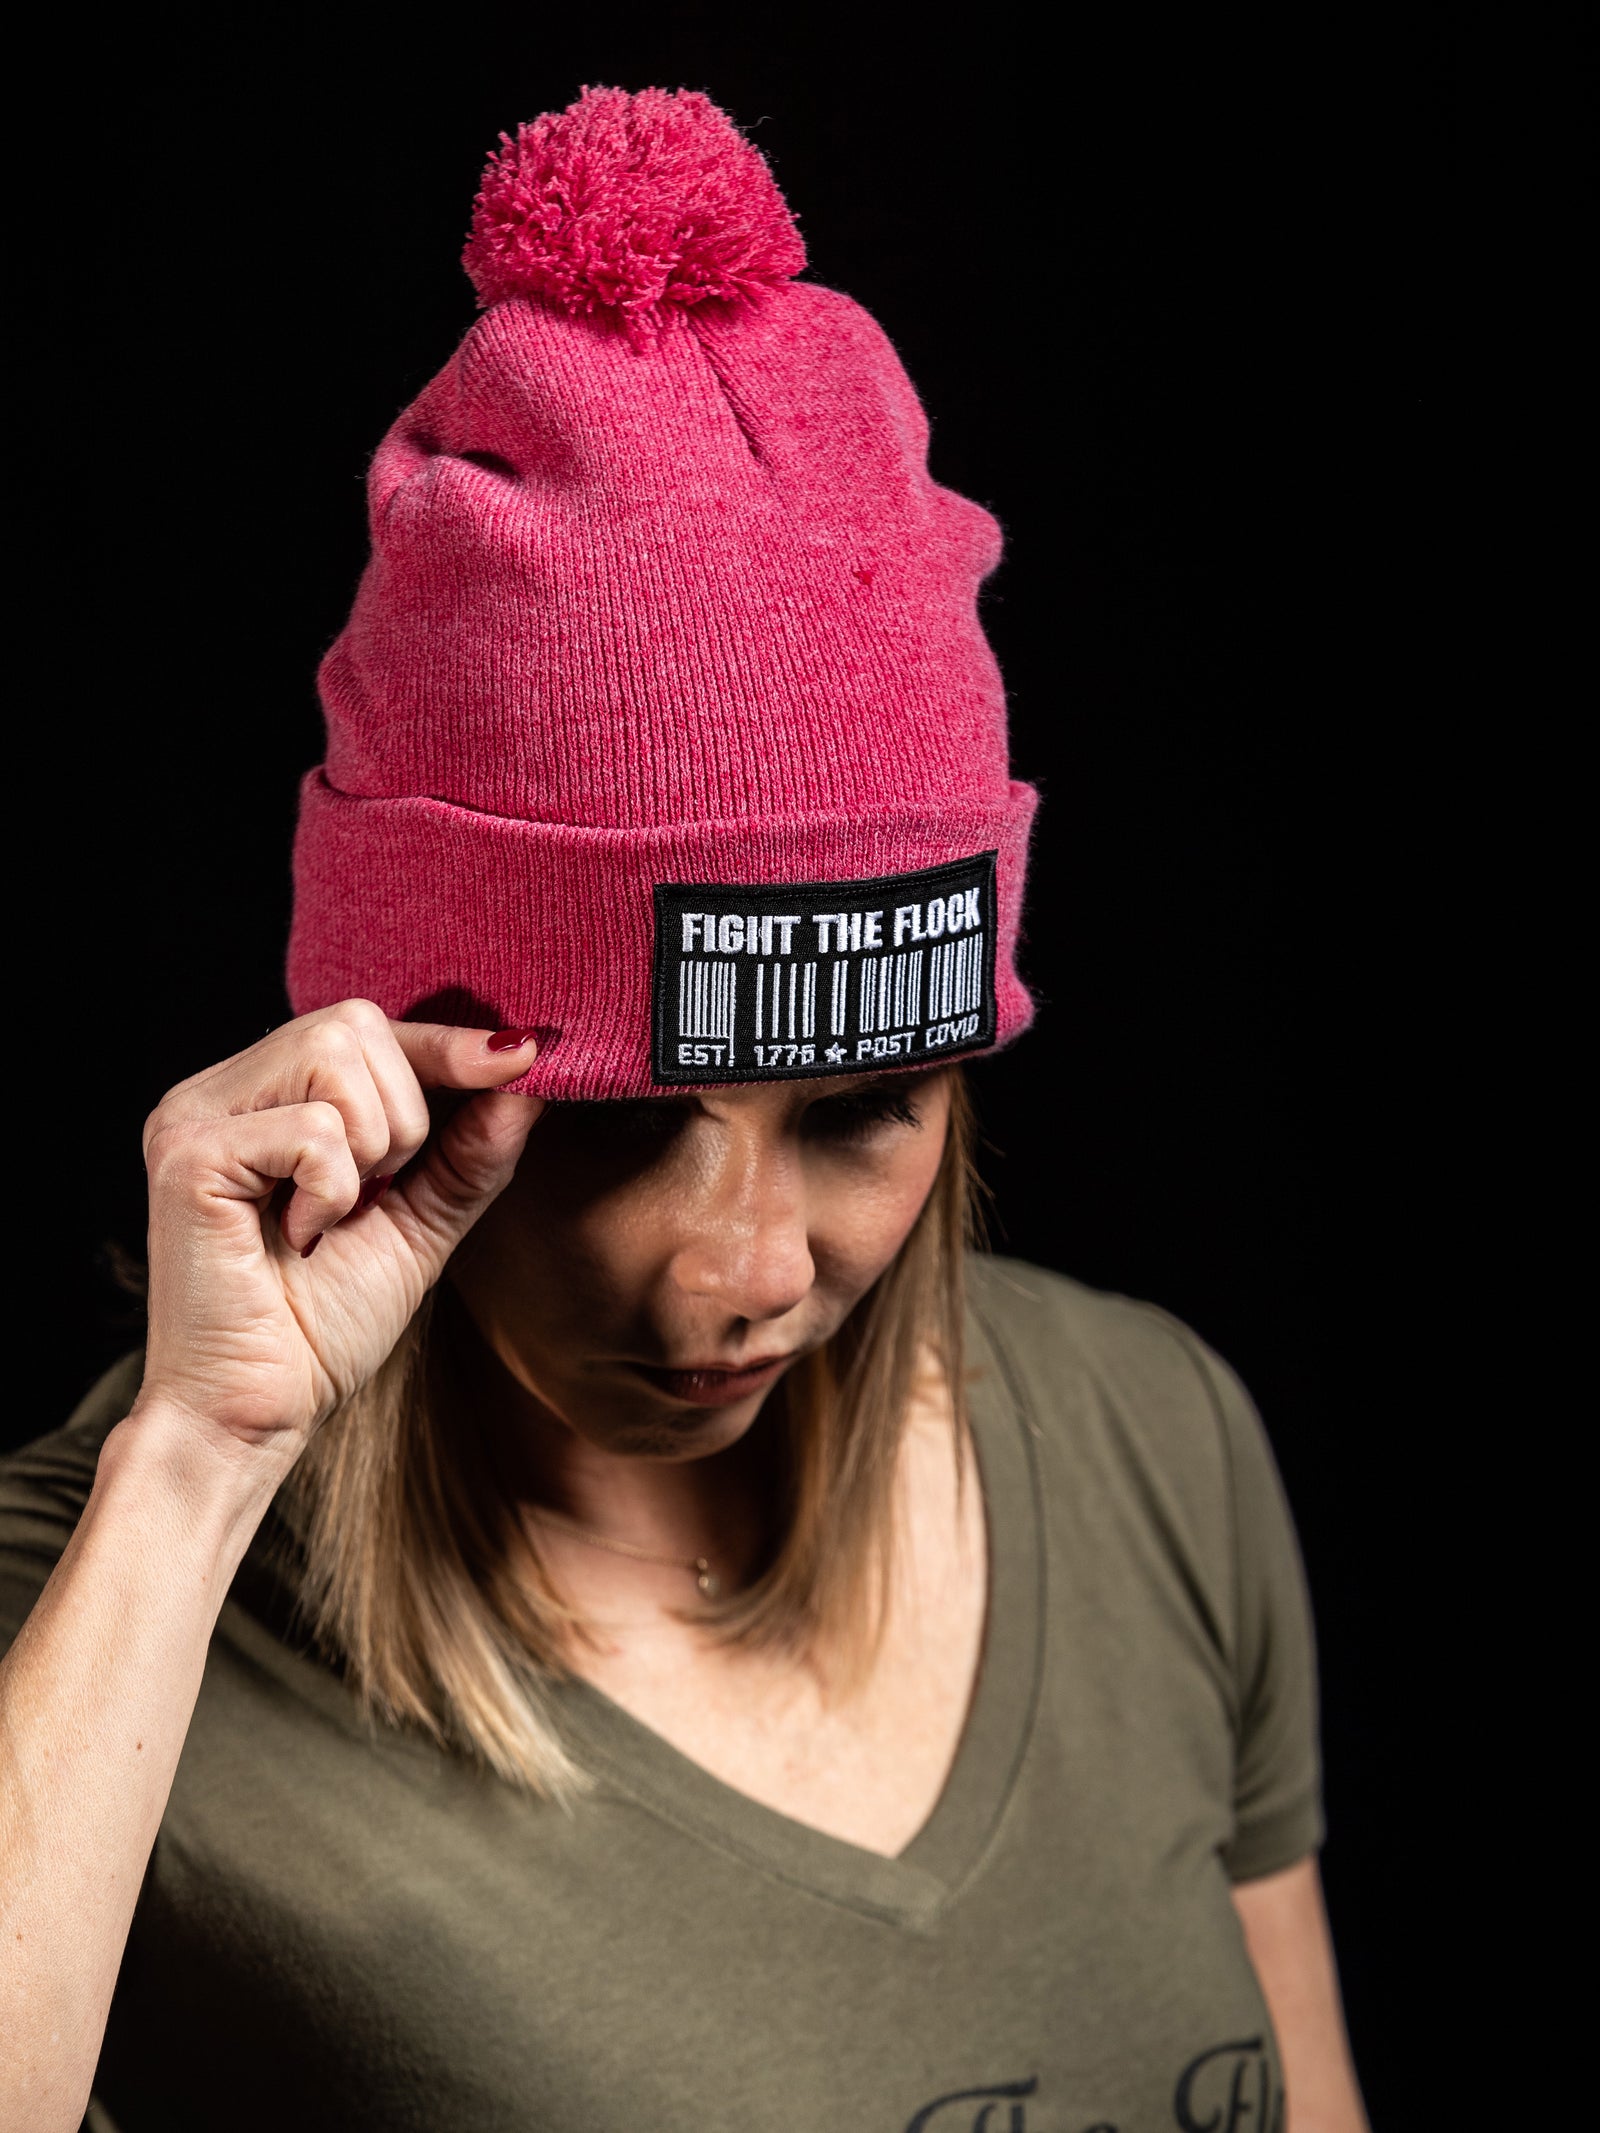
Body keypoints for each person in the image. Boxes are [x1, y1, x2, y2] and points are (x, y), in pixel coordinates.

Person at [0, 87, 1368, 2133]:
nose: (745, 1270)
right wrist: (198, 1465)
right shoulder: (95, 1599)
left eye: (864, 1108)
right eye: (622, 1123)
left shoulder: (1146, 1444)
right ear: (379, 1057)